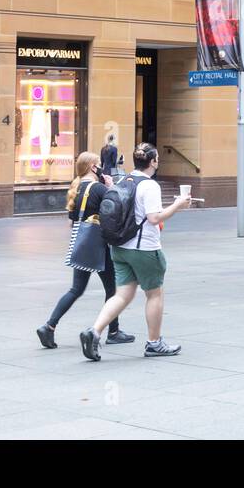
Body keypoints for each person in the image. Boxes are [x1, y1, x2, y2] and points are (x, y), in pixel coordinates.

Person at [80, 143, 192, 361]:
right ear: (153, 162)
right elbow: (154, 218)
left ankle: (94, 331)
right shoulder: (150, 186)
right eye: (157, 158)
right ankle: (154, 343)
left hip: (119, 247)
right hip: (144, 248)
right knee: (154, 293)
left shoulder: (122, 179)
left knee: (122, 294)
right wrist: (178, 204)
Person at [35, 152, 134, 349]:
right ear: (92, 167)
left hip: (83, 243)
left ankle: (49, 326)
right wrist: (111, 187)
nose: (101, 167)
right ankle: (113, 332)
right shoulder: (98, 188)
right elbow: (116, 207)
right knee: (112, 289)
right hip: (100, 245)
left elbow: (73, 219)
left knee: (76, 289)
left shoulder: (77, 188)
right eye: (98, 164)